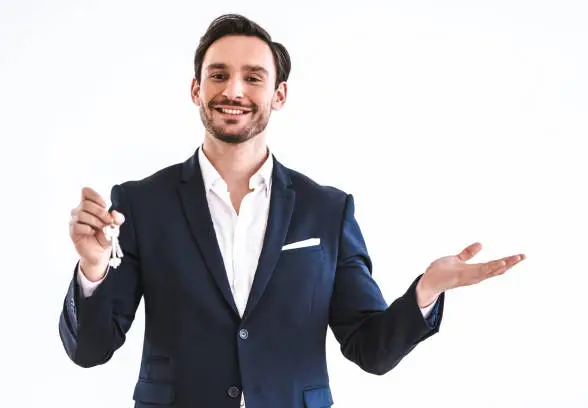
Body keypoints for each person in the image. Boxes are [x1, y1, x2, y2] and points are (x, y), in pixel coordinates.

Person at [59, 13, 526, 408]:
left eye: (253, 77)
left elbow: (370, 349)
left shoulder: (327, 209)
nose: (234, 90)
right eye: (218, 75)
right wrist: (92, 267)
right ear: (196, 89)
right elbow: (90, 351)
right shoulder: (142, 203)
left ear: (278, 94)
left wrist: (425, 291)